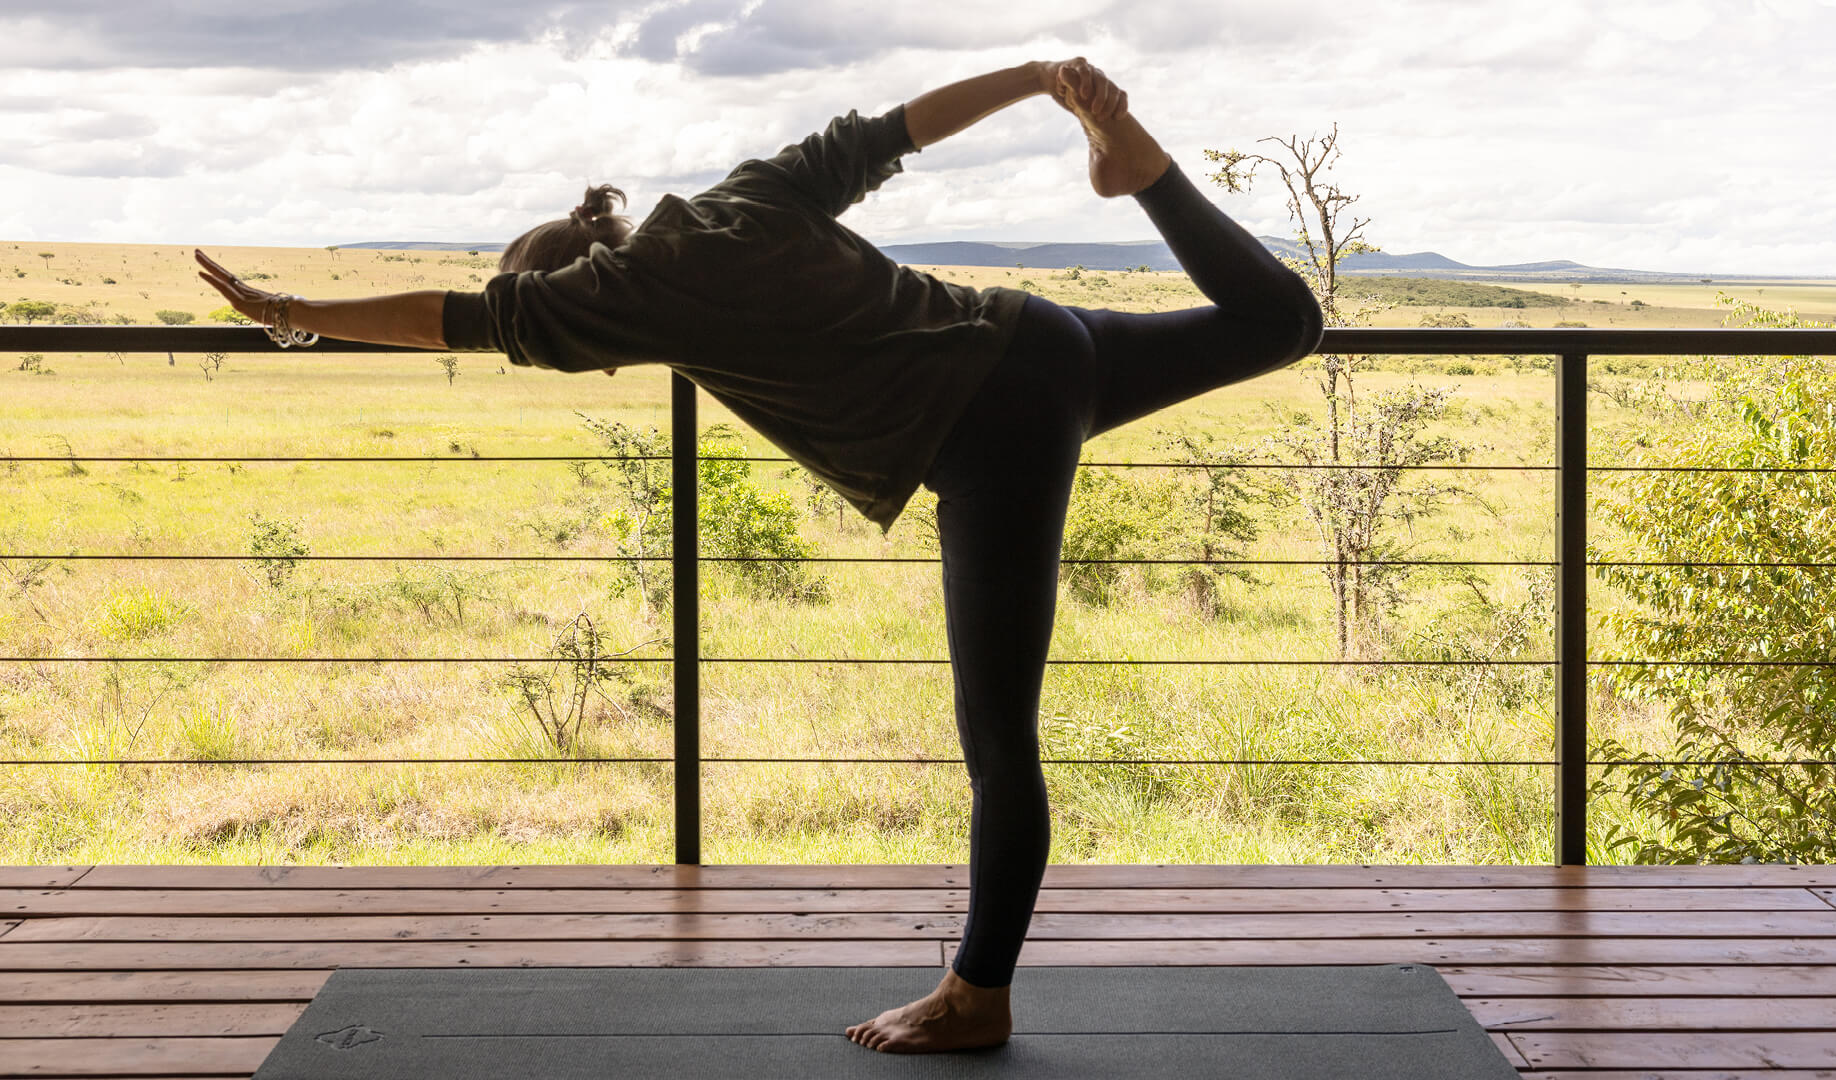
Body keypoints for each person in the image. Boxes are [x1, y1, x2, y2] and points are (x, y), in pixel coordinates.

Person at [196, 58, 1322, 1055]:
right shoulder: (743, 196)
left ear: (578, 312)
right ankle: (1148, 178)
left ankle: (977, 995)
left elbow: (457, 316)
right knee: (1281, 322)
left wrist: (287, 310)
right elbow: (897, 130)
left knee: (999, 745)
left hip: (989, 434)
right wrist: (1035, 77)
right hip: (1038, 336)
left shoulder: (621, 298)